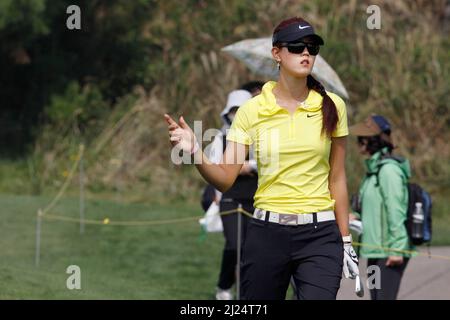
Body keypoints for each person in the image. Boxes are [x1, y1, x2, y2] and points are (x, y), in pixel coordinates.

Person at [164, 16, 360, 300]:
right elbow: (224, 178)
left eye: (311, 47)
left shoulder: (332, 106)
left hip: (320, 235)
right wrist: (196, 151)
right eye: (296, 46)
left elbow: (337, 177)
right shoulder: (251, 111)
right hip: (267, 233)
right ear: (276, 54)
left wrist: (345, 240)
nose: (306, 53)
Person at [349, 115, 414, 300]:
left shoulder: (388, 171)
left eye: (362, 137)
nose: (358, 141)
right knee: (376, 298)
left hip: (389, 252)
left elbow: (396, 210)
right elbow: (369, 208)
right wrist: (354, 217)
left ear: (371, 140)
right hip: (374, 251)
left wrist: (397, 250)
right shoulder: (373, 171)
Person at [207, 89, 257, 300]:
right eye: (234, 110)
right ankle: (224, 286)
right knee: (235, 245)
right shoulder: (221, 137)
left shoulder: (258, 135)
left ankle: (245, 291)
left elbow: (267, 162)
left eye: (241, 110)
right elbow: (217, 165)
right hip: (230, 198)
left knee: (252, 248)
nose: (237, 115)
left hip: (255, 198)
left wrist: (247, 165)